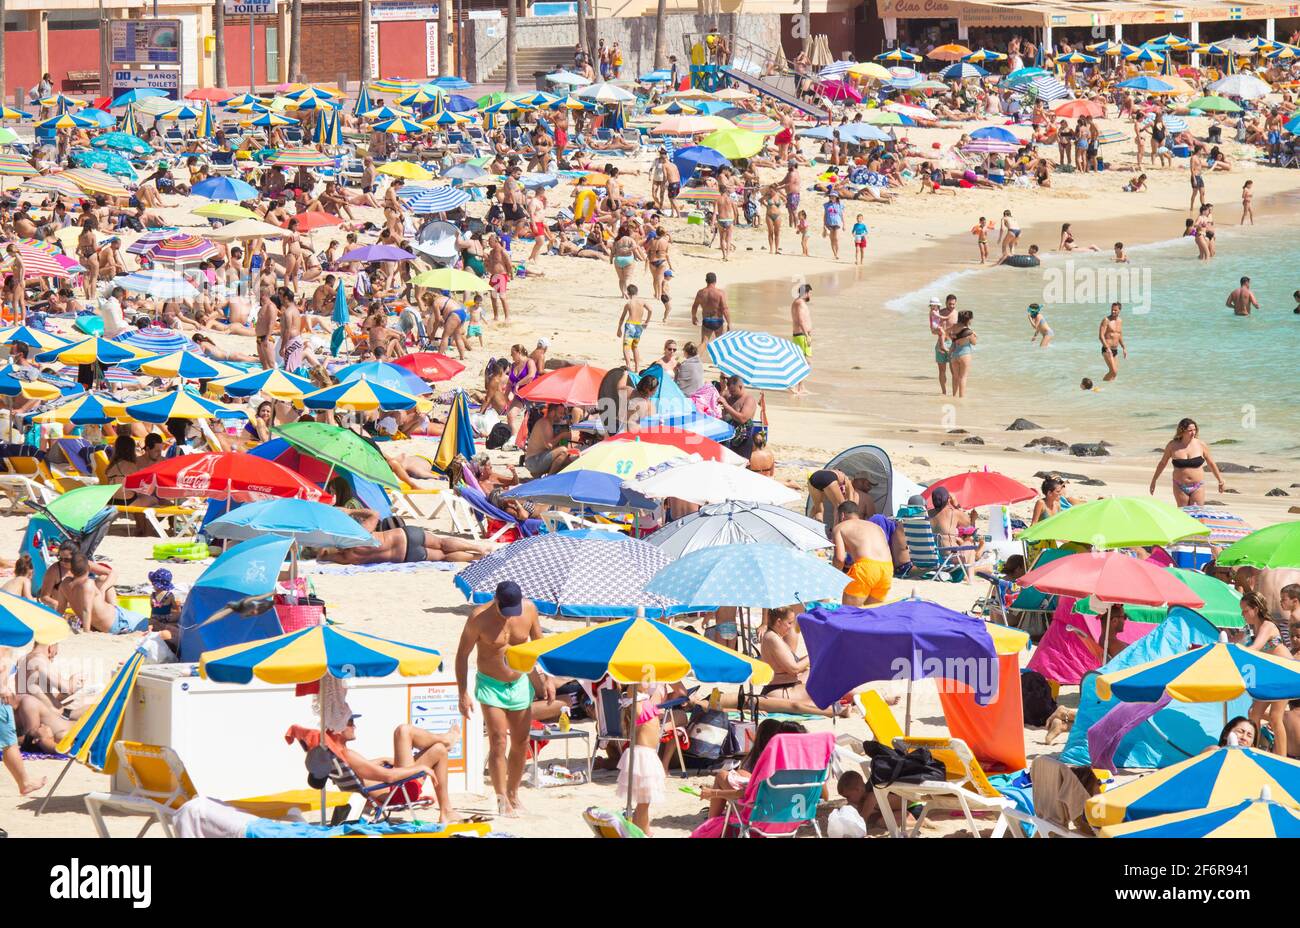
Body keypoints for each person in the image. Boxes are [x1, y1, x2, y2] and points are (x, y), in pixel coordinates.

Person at [454, 581, 551, 816]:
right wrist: (462, 692)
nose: (509, 616)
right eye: (505, 609)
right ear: (495, 600)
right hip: (490, 684)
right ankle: (500, 798)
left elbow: (542, 646)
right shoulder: (478, 618)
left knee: (521, 741)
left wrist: (547, 679)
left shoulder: (528, 610)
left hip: (519, 682)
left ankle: (513, 794)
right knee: (498, 740)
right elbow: (462, 655)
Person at [325, 712, 461, 823]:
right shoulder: (348, 755)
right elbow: (389, 776)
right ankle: (446, 740)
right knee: (404, 731)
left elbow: (362, 768)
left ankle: (446, 812)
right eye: (350, 722)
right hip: (400, 791)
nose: (354, 726)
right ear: (337, 729)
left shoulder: (337, 755)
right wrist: (421, 769)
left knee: (438, 749)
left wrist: (382, 759)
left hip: (394, 790)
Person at [320, 509, 495, 564]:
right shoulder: (359, 534)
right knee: (442, 543)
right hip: (405, 536)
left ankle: (478, 556)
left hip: (405, 557)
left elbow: (324, 558)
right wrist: (351, 511)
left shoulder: (346, 557)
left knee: (443, 556)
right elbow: (374, 514)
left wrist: (323, 551)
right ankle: (478, 548)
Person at [1241, 591, 1290, 757]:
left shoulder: (1267, 626)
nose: (1243, 614)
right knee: (1253, 713)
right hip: (1272, 674)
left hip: (1285, 671)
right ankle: (1253, 752)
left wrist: (1236, 651)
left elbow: (1255, 649)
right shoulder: (1252, 628)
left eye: (1245, 610)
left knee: (1276, 717)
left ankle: (1281, 759)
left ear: (1255, 609)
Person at [61, 554, 148, 635]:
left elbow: (59, 608)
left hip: (107, 621)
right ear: (88, 569)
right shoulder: (88, 584)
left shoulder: (64, 584)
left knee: (102, 579)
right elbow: (86, 610)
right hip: (119, 622)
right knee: (152, 624)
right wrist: (86, 632)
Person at [1149, 418, 1226, 506]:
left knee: (1197, 513)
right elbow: (1162, 463)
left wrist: (1220, 480)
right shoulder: (1172, 445)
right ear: (1182, 431)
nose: (1193, 433)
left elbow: (1211, 463)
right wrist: (1154, 480)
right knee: (1184, 514)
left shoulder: (1201, 445)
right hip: (1179, 486)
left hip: (1198, 486)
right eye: (1190, 430)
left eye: (1194, 430)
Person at [832, 501, 892, 605]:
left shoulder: (840, 527)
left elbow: (839, 559)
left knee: (850, 614)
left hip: (865, 569)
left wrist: (832, 576)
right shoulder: (875, 526)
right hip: (887, 568)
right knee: (870, 615)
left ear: (842, 515)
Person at [928, 486, 982, 581]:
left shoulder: (928, 514)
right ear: (947, 500)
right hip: (948, 559)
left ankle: (967, 577)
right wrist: (956, 504)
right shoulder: (953, 513)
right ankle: (971, 580)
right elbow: (970, 528)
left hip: (930, 559)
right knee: (969, 544)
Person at [524, 403, 575, 477]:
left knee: (568, 461)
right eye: (561, 413)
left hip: (535, 460)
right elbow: (549, 445)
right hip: (533, 461)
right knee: (564, 450)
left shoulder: (547, 423)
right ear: (553, 412)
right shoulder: (545, 423)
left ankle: (538, 474)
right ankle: (549, 478)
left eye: (563, 414)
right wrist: (562, 435)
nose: (562, 416)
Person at [616, 284, 652, 371]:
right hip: (639, 325)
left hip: (630, 324)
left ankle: (628, 365)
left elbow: (622, 318)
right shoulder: (642, 301)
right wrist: (647, 321)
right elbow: (650, 310)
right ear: (637, 292)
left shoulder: (628, 303)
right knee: (635, 346)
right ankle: (637, 367)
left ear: (628, 293)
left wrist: (619, 329)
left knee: (626, 347)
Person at [690, 272, 730, 347]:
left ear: (706, 280)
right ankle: (719, 358)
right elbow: (725, 309)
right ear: (715, 281)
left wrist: (694, 317)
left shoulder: (701, 293)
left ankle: (695, 358)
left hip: (707, 321)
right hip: (718, 321)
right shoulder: (720, 293)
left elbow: (695, 306)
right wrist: (729, 323)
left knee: (704, 343)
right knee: (720, 342)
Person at [147, 568, 182, 652]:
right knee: (179, 615)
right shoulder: (169, 595)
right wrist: (178, 607)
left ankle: (151, 627)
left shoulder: (152, 596)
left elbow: (152, 608)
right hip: (166, 618)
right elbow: (175, 608)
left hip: (155, 618)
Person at [948, 310, 976, 398]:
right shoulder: (968, 331)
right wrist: (974, 334)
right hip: (965, 355)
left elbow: (949, 335)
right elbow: (974, 342)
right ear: (967, 320)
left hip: (954, 355)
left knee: (955, 377)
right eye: (971, 319)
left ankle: (954, 396)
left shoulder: (953, 327)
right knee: (963, 377)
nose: (971, 320)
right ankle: (961, 399)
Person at [790, 283, 812, 394]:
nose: (810, 296)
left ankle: (800, 386)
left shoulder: (797, 302)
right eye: (810, 293)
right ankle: (796, 386)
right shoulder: (800, 303)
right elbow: (801, 320)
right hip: (801, 335)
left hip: (800, 335)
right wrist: (807, 335)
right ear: (806, 293)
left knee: (802, 361)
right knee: (805, 362)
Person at [1098, 301, 1125, 382]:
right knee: (1114, 371)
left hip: (1115, 350)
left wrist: (1124, 347)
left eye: (1115, 310)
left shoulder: (1120, 321)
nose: (1113, 311)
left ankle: (1108, 390)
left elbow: (1119, 335)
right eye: (1112, 310)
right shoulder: (1106, 320)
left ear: (1119, 310)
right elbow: (1101, 336)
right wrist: (1107, 348)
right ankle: (1101, 384)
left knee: (1114, 375)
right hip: (1107, 349)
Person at [822, 193, 844, 260]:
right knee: (832, 239)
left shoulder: (839, 205)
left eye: (834, 197)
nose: (832, 198)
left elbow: (842, 215)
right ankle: (834, 254)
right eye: (831, 196)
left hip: (837, 223)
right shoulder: (827, 205)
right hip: (829, 223)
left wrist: (844, 224)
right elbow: (825, 215)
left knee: (836, 239)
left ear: (836, 197)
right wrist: (824, 224)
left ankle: (837, 254)